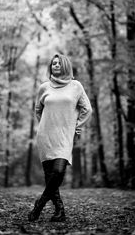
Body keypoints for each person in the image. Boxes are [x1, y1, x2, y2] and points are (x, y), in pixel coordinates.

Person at [28, 53, 92, 222]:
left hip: (65, 136)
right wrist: (45, 124)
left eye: (58, 63)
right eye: (53, 63)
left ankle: (40, 204)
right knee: (51, 176)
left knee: (58, 171)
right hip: (45, 135)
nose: (55, 65)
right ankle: (60, 211)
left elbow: (87, 110)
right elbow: (37, 109)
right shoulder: (44, 87)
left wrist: (76, 127)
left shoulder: (76, 86)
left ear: (64, 66)